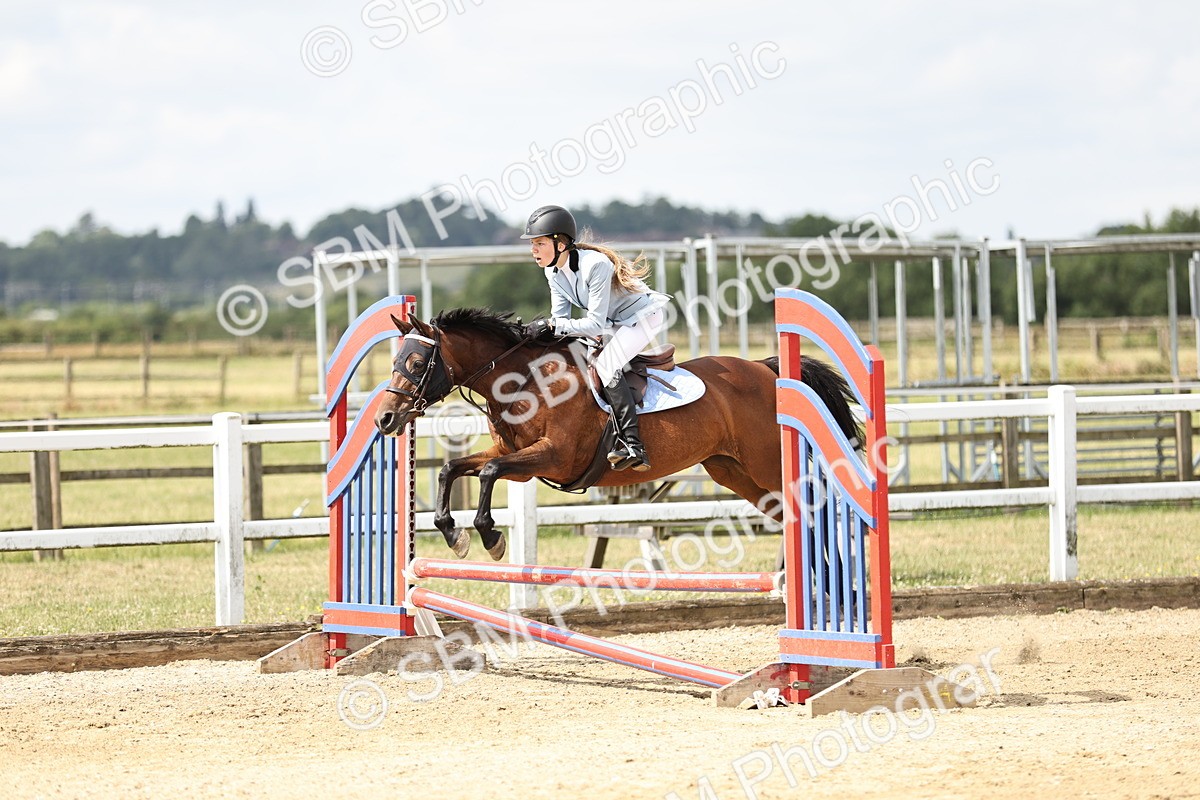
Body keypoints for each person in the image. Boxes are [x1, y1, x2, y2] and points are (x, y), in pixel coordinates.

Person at [520, 204, 670, 472]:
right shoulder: (552, 271)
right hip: (613, 323)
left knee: (606, 365)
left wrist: (552, 325)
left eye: (539, 243)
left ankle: (633, 444)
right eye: (532, 244)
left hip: (643, 318)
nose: (533, 250)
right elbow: (561, 319)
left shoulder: (596, 265)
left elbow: (593, 324)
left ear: (560, 244)